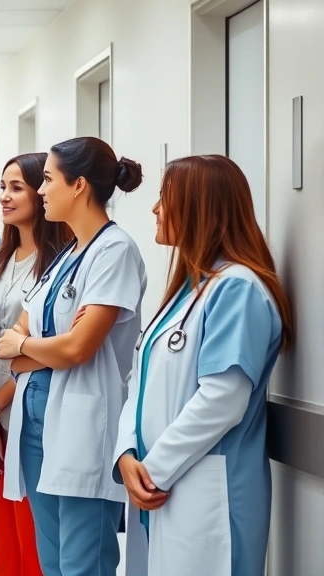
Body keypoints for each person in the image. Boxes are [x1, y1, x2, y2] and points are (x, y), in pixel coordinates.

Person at [113, 155, 293, 576]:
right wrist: (125, 452)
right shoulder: (189, 290)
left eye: (164, 197)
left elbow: (223, 399)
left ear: (201, 207)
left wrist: (153, 469)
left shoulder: (238, 289)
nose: (155, 209)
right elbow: (138, 381)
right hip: (159, 485)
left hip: (206, 489)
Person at [0, 136, 147, 576]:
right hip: (38, 426)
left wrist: (30, 346)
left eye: (46, 179)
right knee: (54, 565)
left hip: (82, 428)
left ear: (78, 185)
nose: (40, 191)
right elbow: (14, 345)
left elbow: (76, 348)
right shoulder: (67, 255)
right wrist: (40, 347)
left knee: (82, 566)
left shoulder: (114, 250)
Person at [0, 153, 69, 576]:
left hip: (28, 418)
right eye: (4, 188)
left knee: (33, 548)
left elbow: (39, 353)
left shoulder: (57, 264)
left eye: (17, 188)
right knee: (1, 545)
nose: (5, 198)